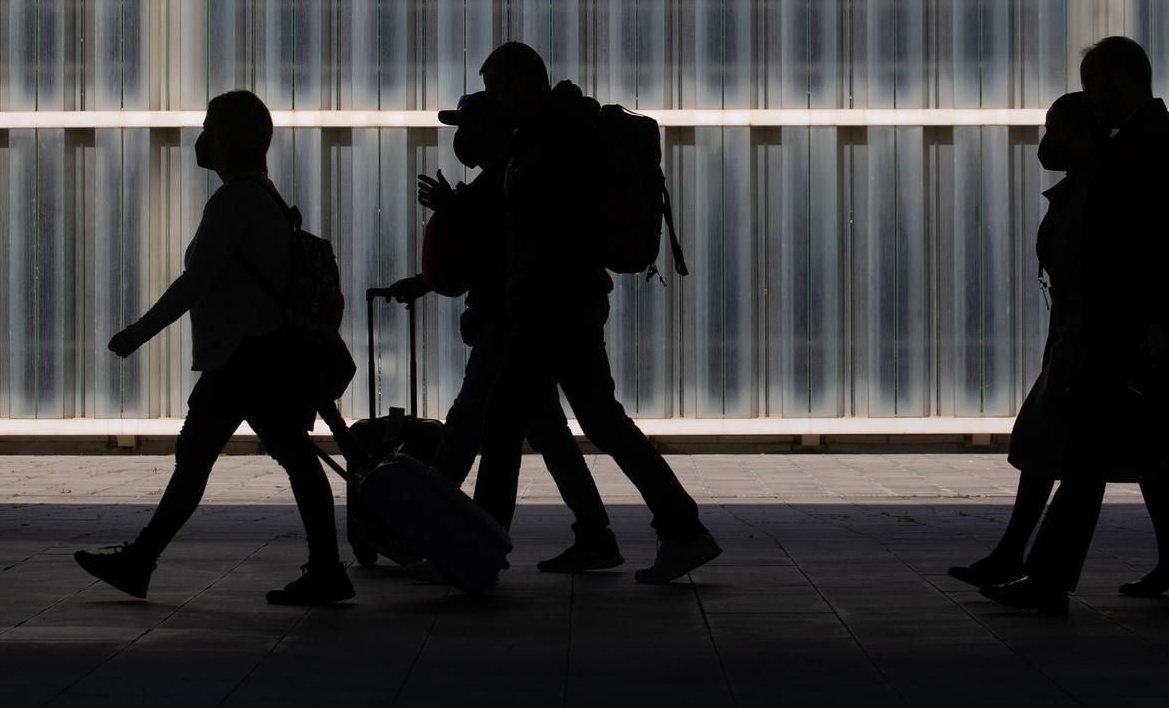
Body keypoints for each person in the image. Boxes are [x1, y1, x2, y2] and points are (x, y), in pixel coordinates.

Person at [73, 91, 353, 607]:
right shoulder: (263, 196)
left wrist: (138, 332)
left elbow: (194, 281)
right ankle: (143, 560)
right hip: (254, 355)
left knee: (231, 459)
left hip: (246, 359)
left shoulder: (235, 201)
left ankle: (325, 569)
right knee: (234, 458)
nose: (201, 139)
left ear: (227, 139)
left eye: (209, 128)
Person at [982, 37, 1169, 616]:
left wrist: (1163, 324)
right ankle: (1160, 561)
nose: (1091, 96)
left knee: (1097, 455)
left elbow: (1158, 244)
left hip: (1134, 335)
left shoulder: (1151, 143)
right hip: (1132, 332)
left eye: (1095, 82)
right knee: (1139, 453)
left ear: (1122, 77)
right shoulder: (1149, 139)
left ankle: (1044, 577)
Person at [470, 41, 722, 584]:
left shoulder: (551, 139)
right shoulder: (557, 130)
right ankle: (682, 527)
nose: (494, 102)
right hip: (570, 301)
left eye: (497, 90)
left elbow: (542, 229)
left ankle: (479, 550)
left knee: (502, 419)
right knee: (601, 421)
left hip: (549, 305)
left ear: (520, 85)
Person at [950, 92, 1169, 599]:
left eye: (1054, 130)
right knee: (1134, 452)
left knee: (1058, 449)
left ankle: (1028, 565)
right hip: (1080, 339)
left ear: (1083, 135)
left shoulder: (1102, 192)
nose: (1046, 142)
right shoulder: (1088, 187)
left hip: (1092, 346)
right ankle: (1168, 559)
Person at [383, 91, 621, 573]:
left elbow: (497, 251)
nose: (460, 139)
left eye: (466, 128)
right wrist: (425, 281)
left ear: (493, 128)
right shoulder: (501, 176)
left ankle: (447, 539)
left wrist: (452, 210)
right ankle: (593, 534)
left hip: (507, 327)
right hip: (515, 323)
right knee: (546, 435)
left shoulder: (508, 177)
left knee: (469, 427)